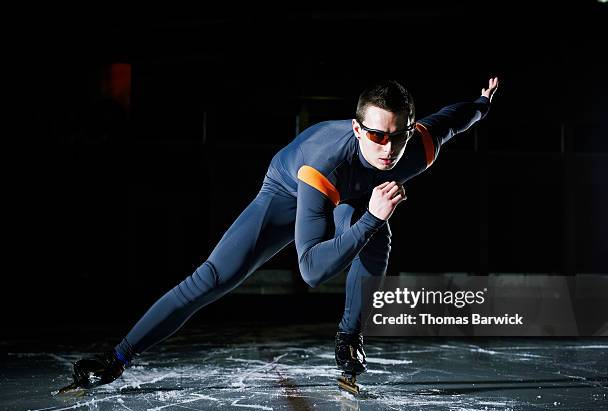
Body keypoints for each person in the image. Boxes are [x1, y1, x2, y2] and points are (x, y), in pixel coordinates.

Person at [70, 77, 500, 392]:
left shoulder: (421, 145)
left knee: (378, 238)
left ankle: (349, 339)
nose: (388, 149)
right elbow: (312, 271)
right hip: (294, 188)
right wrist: (369, 218)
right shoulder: (323, 160)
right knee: (215, 277)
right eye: (375, 135)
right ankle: (118, 357)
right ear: (357, 129)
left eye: (398, 135)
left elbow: (454, 118)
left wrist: (482, 101)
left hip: (352, 193)